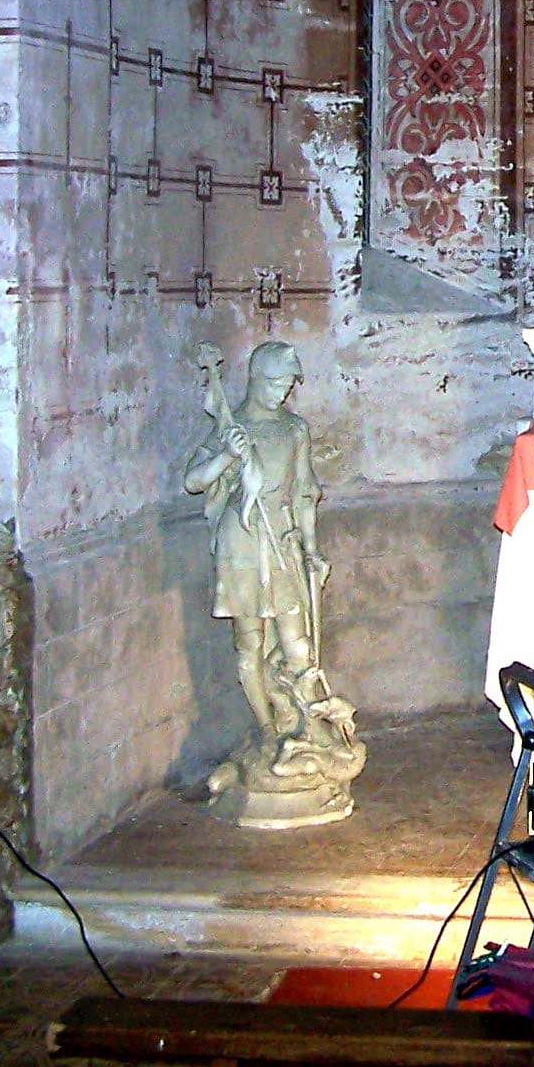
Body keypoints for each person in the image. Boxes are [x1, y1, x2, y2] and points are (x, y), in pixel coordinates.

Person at [187, 340, 364, 824]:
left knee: (298, 644)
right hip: (243, 541)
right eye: (277, 384)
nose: (284, 393)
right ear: (256, 379)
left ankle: (304, 725)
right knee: (250, 641)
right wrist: (228, 455)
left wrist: (312, 550)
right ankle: (268, 729)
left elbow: (304, 492)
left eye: (289, 385)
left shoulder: (294, 429)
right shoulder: (232, 427)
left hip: (281, 538)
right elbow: (194, 480)